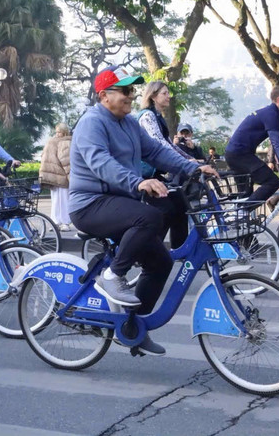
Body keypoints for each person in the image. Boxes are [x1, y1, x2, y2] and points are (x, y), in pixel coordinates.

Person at [69, 68, 217, 355]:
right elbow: (101, 163)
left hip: (118, 201)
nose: (131, 95)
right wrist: (137, 182)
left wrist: (193, 167)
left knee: (161, 262)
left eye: (132, 90)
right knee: (149, 216)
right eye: (125, 91)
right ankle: (113, 276)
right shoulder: (91, 123)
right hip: (90, 204)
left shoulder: (129, 123)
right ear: (104, 96)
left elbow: (157, 152)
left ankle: (133, 328)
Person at [225, 85, 279, 205]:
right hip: (240, 155)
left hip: (237, 153)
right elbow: (277, 144)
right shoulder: (271, 115)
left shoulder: (272, 114)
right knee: (272, 182)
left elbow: (278, 144)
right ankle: (244, 211)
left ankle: (241, 213)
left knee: (246, 195)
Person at [137, 81, 194, 178]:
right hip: (145, 172)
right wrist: (186, 162)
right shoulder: (147, 116)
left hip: (155, 169)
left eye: (168, 93)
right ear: (153, 97)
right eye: (164, 93)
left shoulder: (158, 116)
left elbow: (169, 143)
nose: (168, 96)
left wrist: (189, 158)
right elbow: (160, 143)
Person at [39, 123, 73, 231]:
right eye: (57, 131)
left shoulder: (52, 141)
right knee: (62, 200)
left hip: (53, 176)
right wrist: (71, 177)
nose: (57, 134)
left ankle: (58, 222)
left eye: (59, 132)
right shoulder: (65, 142)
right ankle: (62, 222)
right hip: (59, 176)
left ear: (64, 132)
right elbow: (67, 161)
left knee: (57, 200)